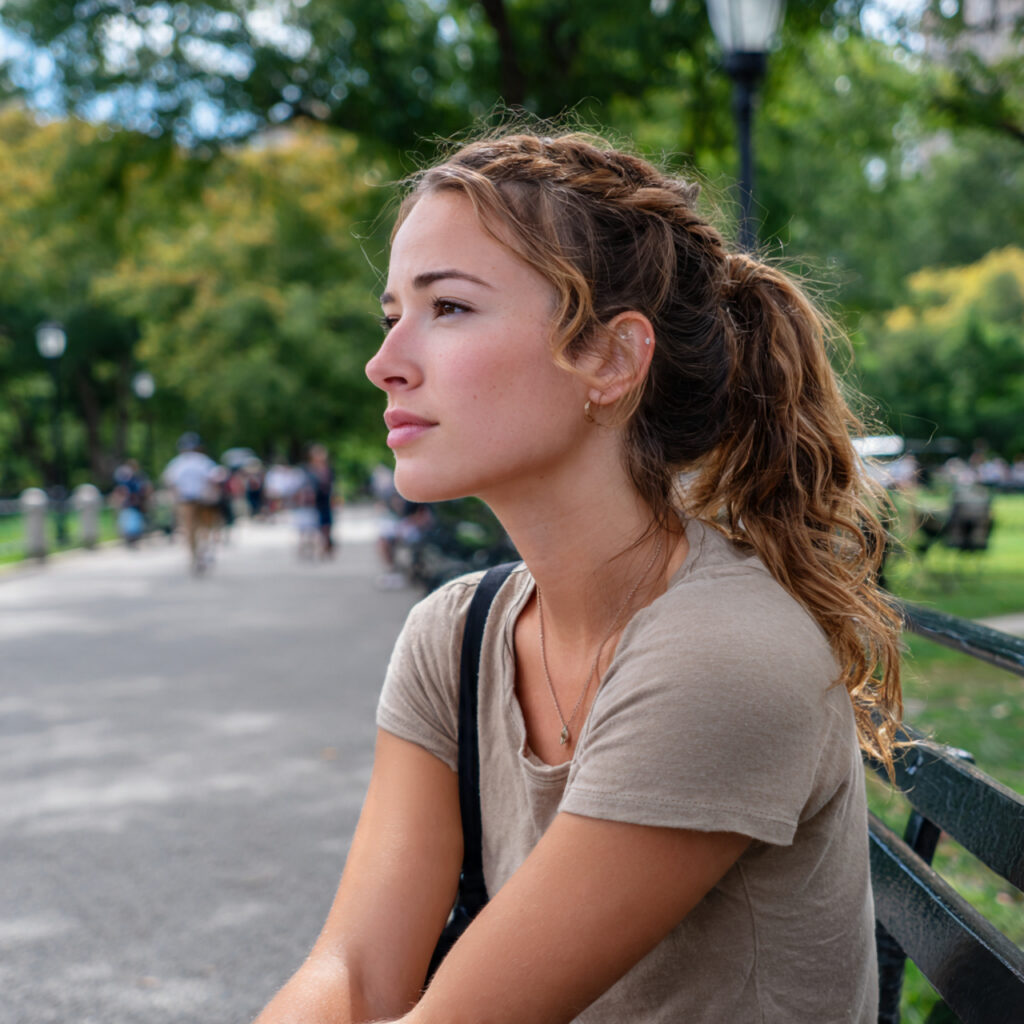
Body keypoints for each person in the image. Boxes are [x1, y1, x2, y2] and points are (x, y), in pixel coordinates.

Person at [254, 130, 903, 1023]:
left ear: (610, 359)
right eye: (391, 313)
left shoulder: (725, 655)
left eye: (447, 309)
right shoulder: (459, 635)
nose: (385, 361)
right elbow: (357, 974)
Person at [161, 432, 220, 574]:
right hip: (202, 499)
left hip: (185, 500)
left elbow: (169, 482)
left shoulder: (177, 463)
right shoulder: (203, 461)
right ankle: (202, 552)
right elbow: (215, 478)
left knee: (189, 530)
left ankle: (194, 556)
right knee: (205, 528)